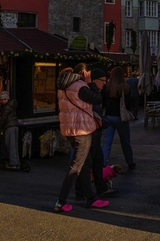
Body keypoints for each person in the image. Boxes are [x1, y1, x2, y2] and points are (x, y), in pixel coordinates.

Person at [56, 67, 109, 213]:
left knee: (85, 165)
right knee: (76, 167)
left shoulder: (63, 87)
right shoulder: (80, 87)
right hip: (82, 130)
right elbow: (98, 99)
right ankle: (61, 202)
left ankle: (90, 198)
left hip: (69, 131)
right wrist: (89, 82)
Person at [74, 65, 112, 201]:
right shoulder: (88, 92)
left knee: (97, 161)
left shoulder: (94, 92)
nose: (105, 83)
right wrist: (104, 122)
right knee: (86, 164)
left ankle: (100, 187)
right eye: (103, 80)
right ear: (94, 80)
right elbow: (93, 113)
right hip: (89, 133)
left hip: (94, 133)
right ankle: (81, 192)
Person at [101, 67, 135, 170]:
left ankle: (103, 162)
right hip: (121, 118)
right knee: (125, 141)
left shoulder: (106, 87)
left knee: (107, 142)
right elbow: (128, 105)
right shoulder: (125, 87)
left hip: (108, 117)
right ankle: (130, 162)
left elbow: (103, 102)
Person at [0, 92, 19, 167]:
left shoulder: (6, 107)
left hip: (9, 127)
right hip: (14, 126)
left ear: (7, 99)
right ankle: (16, 162)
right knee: (14, 145)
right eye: (1, 100)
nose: (3, 101)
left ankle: (13, 163)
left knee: (10, 145)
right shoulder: (11, 105)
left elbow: (3, 119)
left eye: (4, 99)